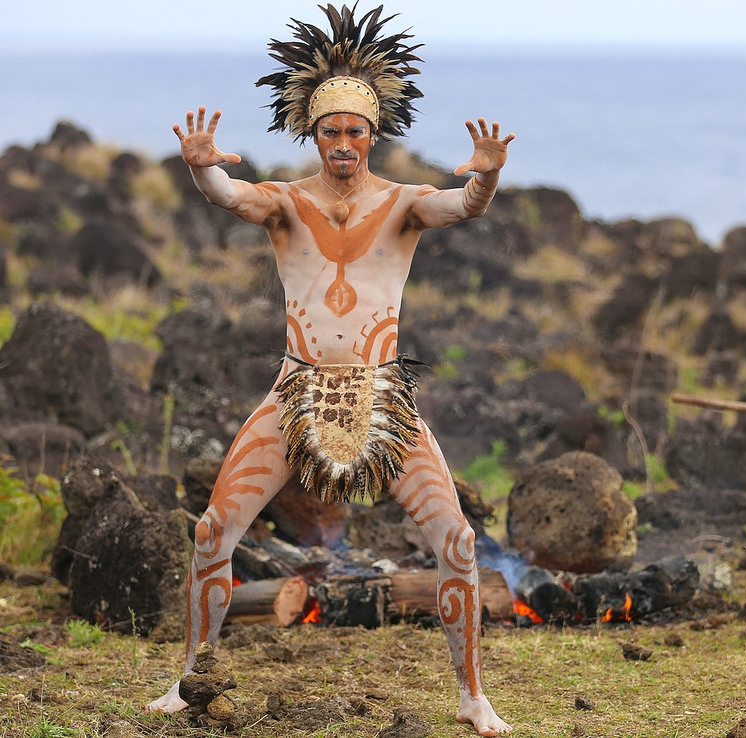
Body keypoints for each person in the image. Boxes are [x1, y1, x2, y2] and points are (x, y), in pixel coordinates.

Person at [144, 5, 514, 735]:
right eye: (330, 130)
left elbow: (462, 205)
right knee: (213, 533)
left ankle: (473, 695)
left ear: (373, 135)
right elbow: (231, 196)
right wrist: (201, 168)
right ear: (313, 134)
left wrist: (489, 179)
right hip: (295, 392)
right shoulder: (285, 201)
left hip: (382, 400)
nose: (343, 142)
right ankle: (188, 681)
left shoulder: (404, 204)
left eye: (355, 130)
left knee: (460, 544)